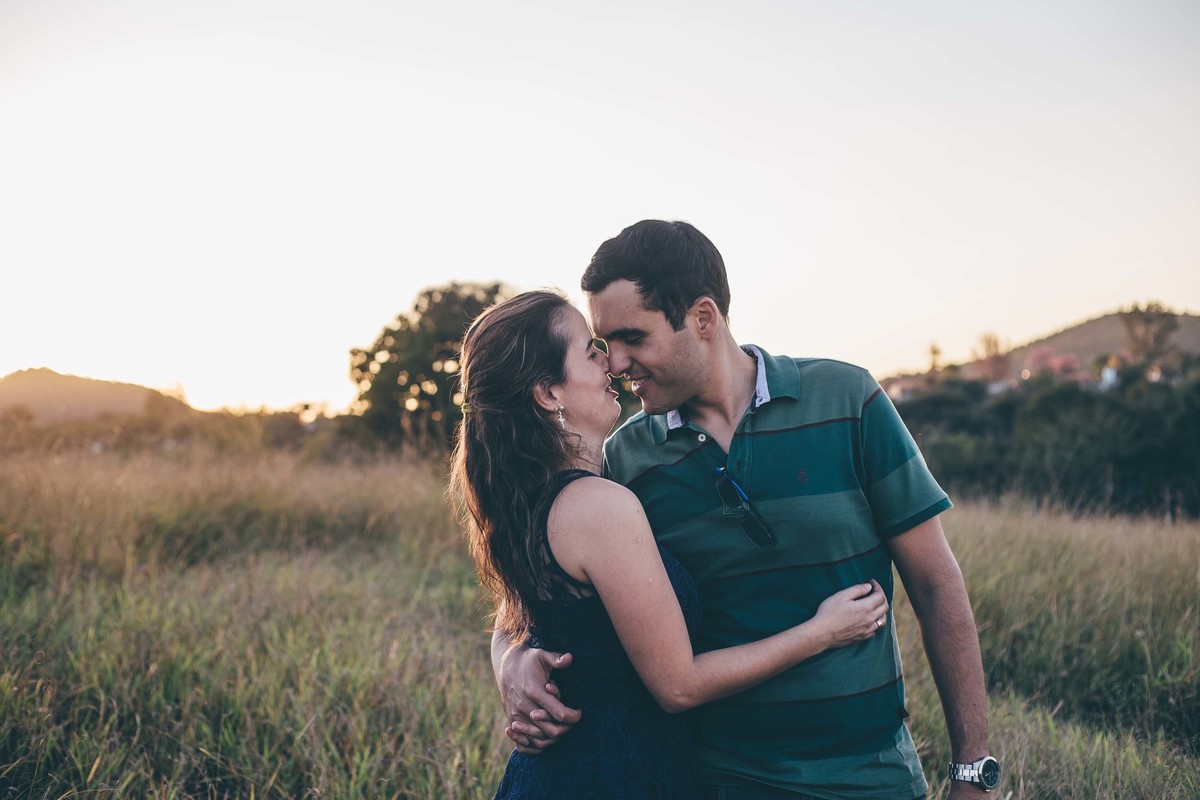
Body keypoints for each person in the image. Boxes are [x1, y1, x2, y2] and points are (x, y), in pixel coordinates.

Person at [496, 221, 997, 799]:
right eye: (605, 346)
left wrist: (972, 770)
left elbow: (936, 585)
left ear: (703, 319)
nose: (616, 363)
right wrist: (512, 655)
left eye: (634, 337)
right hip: (715, 778)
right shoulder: (625, 459)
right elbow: (552, 593)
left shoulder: (848, 400)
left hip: (868, 775)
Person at [448, 288, 894, 799]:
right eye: (590, 351)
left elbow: (522, 615)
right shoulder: (599, 507)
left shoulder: (536, 503)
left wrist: (508, 653)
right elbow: (679, 685)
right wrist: (823, 632)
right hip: (615, 776)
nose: (611, 363)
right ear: (549, 393)